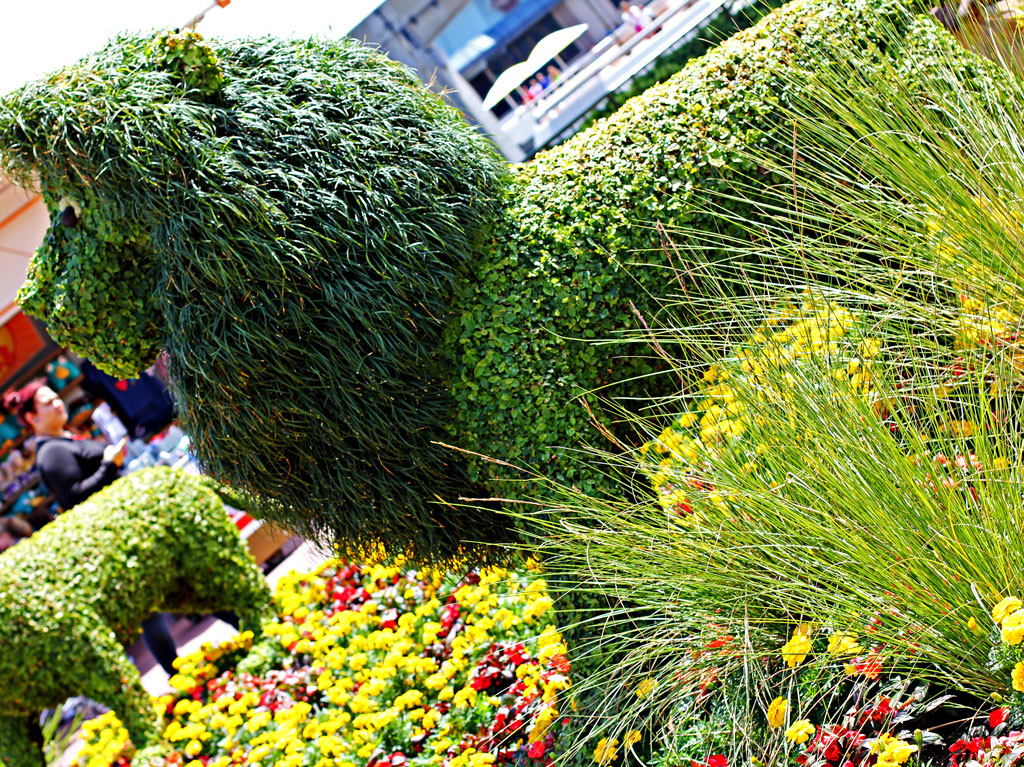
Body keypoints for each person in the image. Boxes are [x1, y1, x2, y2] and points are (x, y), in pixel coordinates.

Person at [3, 378, 182, 676]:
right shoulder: (52, 453)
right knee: (149, 611)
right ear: (33, 418)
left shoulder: (63, 440)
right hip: (115, 538)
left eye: (55, 397)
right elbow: (75, 497)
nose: (58, 403)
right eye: (47, 403)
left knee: (170, 594)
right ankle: (182, 678)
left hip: (126, 528)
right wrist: (109, 464)